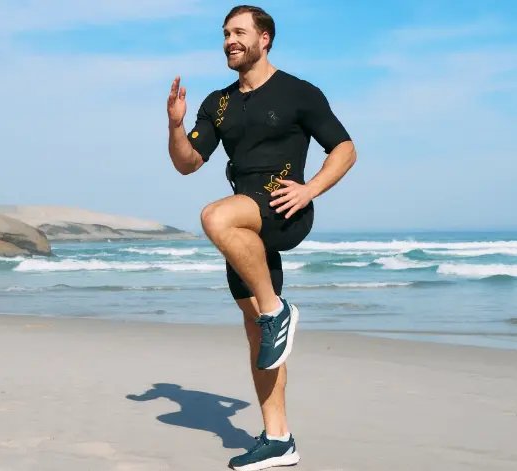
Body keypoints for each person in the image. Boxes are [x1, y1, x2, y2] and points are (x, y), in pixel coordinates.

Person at [166, 5, 356, 470]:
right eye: (225, 33)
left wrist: (311, 188)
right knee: (260, 338)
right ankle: (279, 439)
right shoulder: (219, 103)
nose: (230, 40)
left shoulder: (299, 92)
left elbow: (345, 148)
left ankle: (278, 310)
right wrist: (175, 124)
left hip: (282, 207)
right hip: (245, 226)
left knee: (213, 217)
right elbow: (188, 163)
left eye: (239, 32)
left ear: (264, 38)